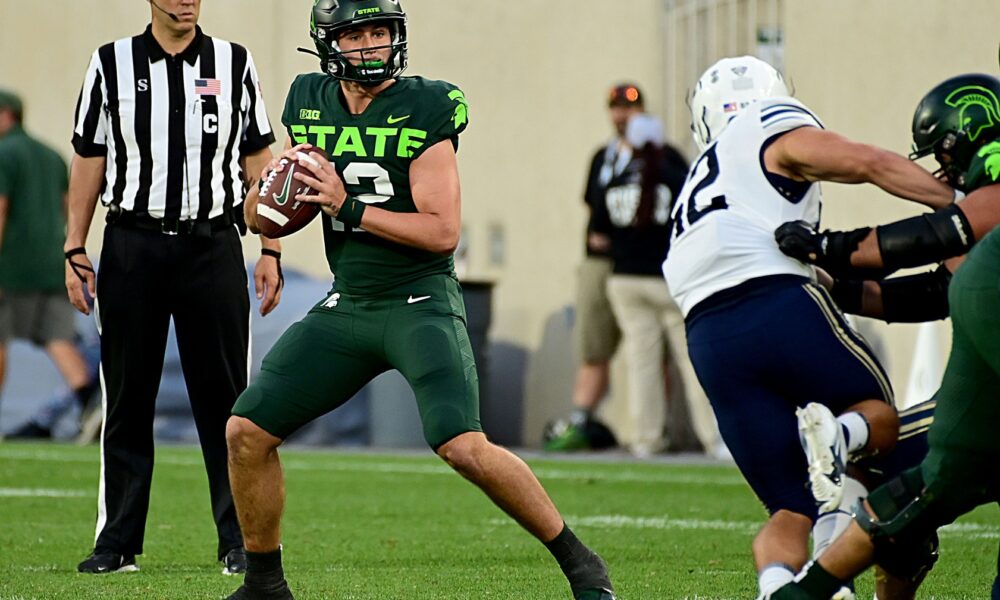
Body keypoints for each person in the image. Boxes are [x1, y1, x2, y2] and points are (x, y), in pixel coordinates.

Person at [223, 2, 615, 599]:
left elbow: (442, 230)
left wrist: (345, 205)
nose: (374, 46)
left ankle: (581, 564)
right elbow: (262, 211)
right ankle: (264, 585)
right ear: (329, 44)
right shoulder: (309, 101)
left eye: (381, 32)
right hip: (349, 302)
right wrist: (269, 216)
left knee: (463, 446)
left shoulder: (426, 106)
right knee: (246, 432)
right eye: (358, 35)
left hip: (419, 300)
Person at [660, 55, 957, 599]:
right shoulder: (770, 123)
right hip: (774, 303)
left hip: (707, 337)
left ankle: (779, 587)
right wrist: (954, 201)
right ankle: (838, 440)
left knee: (789, 508)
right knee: (879, 424)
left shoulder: (698, 181)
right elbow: (863, 161)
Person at [66, 0, 283, 575]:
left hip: (212, 245)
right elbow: (90, 155)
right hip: (133, 245)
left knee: (229, 403)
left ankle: (240, 539)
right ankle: (117, 542)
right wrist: (74, 245)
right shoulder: (110, 63)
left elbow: (259, 156)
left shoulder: (234, 63)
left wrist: (272, 246)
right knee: (128, 397)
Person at [771, 73, 1000, 600]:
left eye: (942, 152)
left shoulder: (993, 171)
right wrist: (837, 287)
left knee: (902, 466)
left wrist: (828, 246)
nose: (942, 171)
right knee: (905, 473)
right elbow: (927, 294)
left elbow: (938, 235)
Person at [587, 112, 711, 456]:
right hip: (668, 278)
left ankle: (646, 439)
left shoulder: (615, 177)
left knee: (641, 363)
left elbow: (597, 236)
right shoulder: (672, 173)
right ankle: (716, 439)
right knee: (692, 359)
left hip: (624, 279)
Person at [544, 84, 638, 452]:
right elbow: (592, 202)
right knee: (592, 342)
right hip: (598, 263)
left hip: (636, 264)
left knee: (649, 347)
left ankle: (653, 427)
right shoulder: (603, 156)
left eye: (629, 108)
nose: (622, 115)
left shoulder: (654, 155)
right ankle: (582, 418)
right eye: (615, 108)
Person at [0, 90, 96, 437]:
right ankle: (88, 400)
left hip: (11, 265)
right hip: (53, 262)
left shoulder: (4, 154)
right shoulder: (52, 156)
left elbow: (1, 208)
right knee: (57, 337)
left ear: (6, 116)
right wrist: (72, 250)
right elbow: (68, 205)